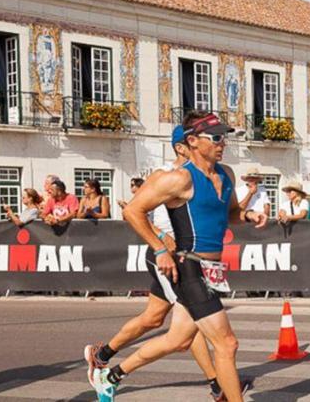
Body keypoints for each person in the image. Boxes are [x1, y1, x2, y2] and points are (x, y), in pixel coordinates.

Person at [89, 112, 247, 402]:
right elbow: (132, 210)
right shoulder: (178, 178)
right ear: (192, 141)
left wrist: (249, 215)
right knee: (227, 344)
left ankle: (110, 376)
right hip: (191, 268)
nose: (223, 143)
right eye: (216, 138)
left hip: (213, 268)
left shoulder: (227, 174)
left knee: (179, 339)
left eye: (224, 136)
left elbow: (232, 214)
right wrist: (160, 248)